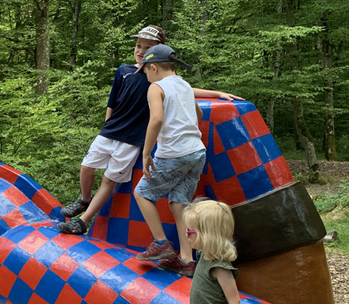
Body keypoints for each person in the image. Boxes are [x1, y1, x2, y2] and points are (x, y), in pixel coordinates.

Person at [58, 25, 241, 236]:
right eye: (138, 46)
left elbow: (185, 89)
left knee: (110, 180)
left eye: (147, 48)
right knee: (87, 166)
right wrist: (106, 126)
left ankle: (83, 221)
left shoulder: (156, 78)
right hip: (110, 132)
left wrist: (217, 93)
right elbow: (112, 102)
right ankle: (84, 199)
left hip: (132, 139)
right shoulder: (124, 71)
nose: (140, 51)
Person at [132, 44, 206, 277]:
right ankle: (186, 260)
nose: (146, 76)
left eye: (145, 72)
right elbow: (199, 115)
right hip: (197, 152)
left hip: (174, 153)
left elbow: (156, 121)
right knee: (178, 203)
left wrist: (146, 153)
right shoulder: (184, 85)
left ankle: (161, 242)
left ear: (153, 67)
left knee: (142, 193)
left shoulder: (156, 87)